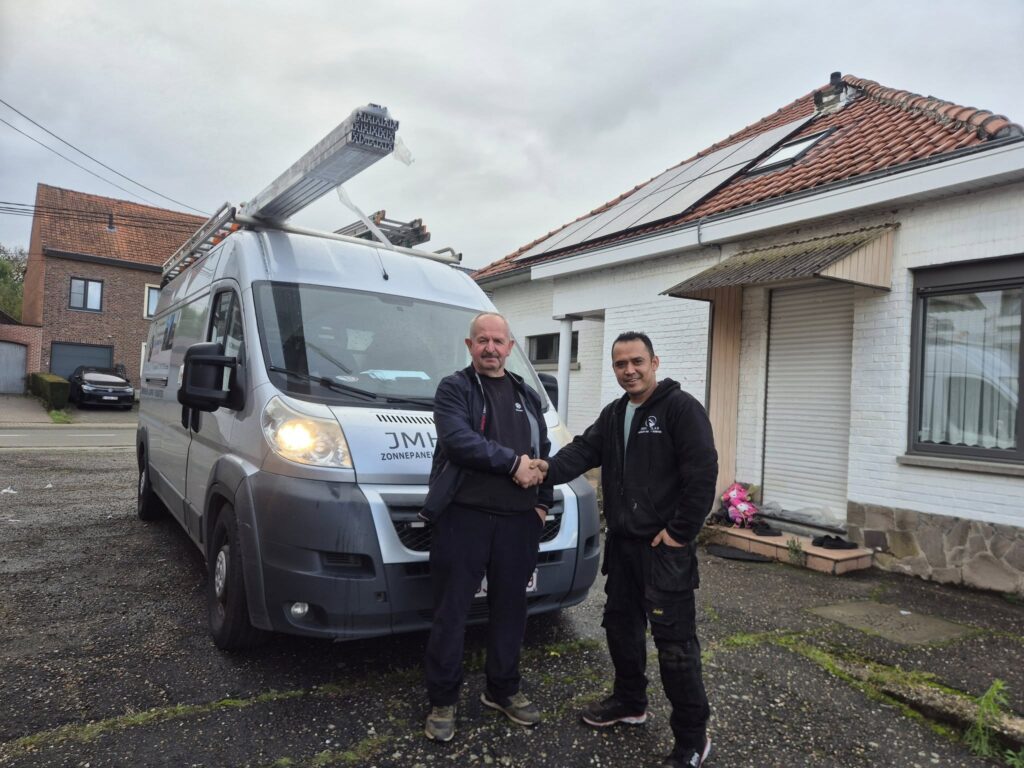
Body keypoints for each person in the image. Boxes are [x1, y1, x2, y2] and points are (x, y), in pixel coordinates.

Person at [534, 331, 717, 768]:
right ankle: (630, 702)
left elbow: (703, 473)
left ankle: (692, 739)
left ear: (654, 362)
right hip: (624, 548)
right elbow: (583, 451)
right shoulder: (616, 413)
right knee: (621, 629)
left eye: (637, 362)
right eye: (621, 364)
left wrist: (679, 533)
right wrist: (544, 470)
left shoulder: (681, 409)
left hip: (663, 552)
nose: (629, 371)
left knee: (675, 647)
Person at [421, 311, 551, 743]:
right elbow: (458, 441)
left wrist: (542, 505)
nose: (490, 348)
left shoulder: (527, 394)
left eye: (498, 341)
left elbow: (544, 452)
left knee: (512, 610)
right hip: (464, 518)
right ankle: (443, 700)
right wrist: (512, 463)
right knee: (451, 612)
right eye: (483, 340)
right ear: (470, 345)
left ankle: (503, 689)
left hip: (518, 523)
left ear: (511, 347)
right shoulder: (454, 388)